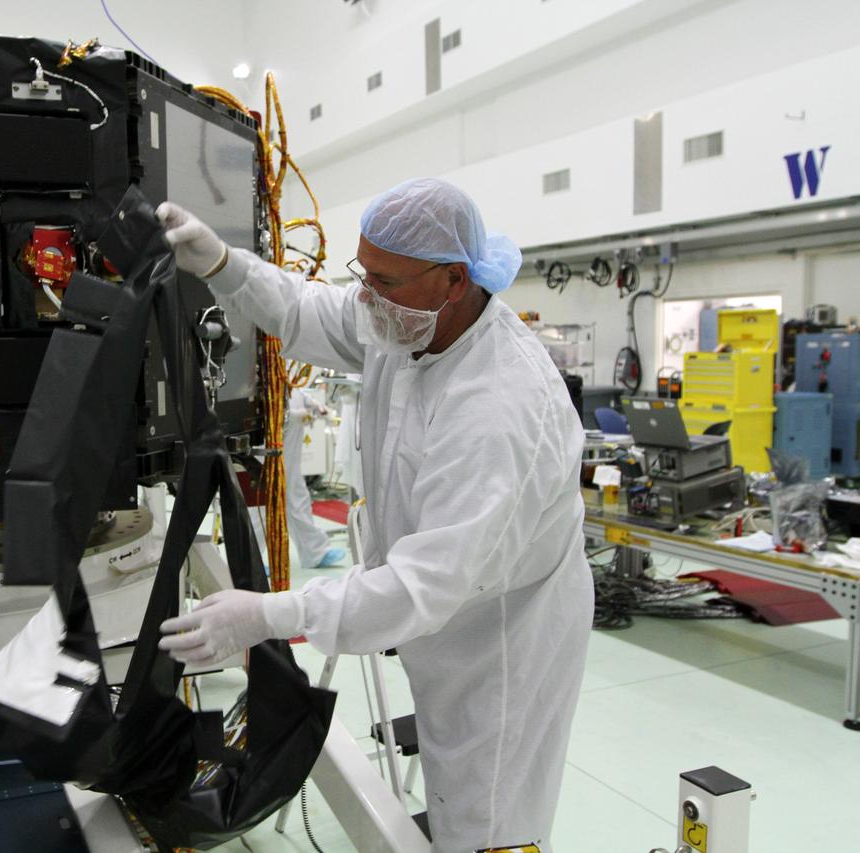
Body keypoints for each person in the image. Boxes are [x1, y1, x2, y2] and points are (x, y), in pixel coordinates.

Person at [156, 177, 593, 852]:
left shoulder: (498, 409)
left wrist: (273, 613)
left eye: (383, 281)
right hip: (441, 619)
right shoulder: (405, 323)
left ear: (454, 279)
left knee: (487, 817)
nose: (366, 296)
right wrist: (221, 262)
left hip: (503, 638)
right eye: (364, 274)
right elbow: (306, 309)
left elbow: (424, 585)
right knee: (450, 792)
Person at [284, 387, 347, 568]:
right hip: (270, 439)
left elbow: (292, 386)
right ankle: (250, 561)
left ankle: (316, 552)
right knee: (261, 505)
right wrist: (294, 414)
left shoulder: (284, 363)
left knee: (297, 497)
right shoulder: (262, 363)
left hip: (290, 441)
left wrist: (311, 402)